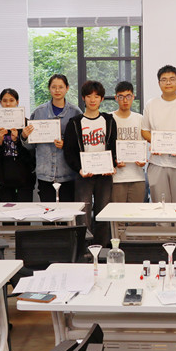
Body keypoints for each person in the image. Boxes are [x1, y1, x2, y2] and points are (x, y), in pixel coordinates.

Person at [63, 80, 117, 245]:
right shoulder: (75, 122)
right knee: (83, 214)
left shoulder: (109, 120)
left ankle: (101, 247)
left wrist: (112, 165)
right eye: (89, 96)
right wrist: (79, 169)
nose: (93, 100)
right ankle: (84, 249)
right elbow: (69, 151)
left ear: (102, 99)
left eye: (96, 96)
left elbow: (114, 146)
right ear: (83, 98)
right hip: (84, 175)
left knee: (103, 212)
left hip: (104, 175)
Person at [141, 65, 176, 203]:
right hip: (157, 162)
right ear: (159, 83)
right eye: (164, 79)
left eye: (172, 79)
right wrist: (155, 143)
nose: (168, 82)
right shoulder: (151, 104)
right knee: (160, 206)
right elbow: (144, 131)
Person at [21, 74, 82, 202]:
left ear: (67, 88)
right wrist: (24, 136)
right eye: (54, 87)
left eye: (61, 87)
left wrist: (66, 144)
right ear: (49, 88)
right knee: (47, 210)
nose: (57, 90)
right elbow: (30, 146)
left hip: (68, 173)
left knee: (67, 211)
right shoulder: (38, 112)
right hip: (45, 173)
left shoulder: (76, 112)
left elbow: (81, 145)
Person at [0, 88, 36, 202]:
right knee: (7, 212)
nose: (8, 104)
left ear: (17, 102)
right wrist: (0, 141)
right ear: (0, 103)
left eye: (11, 100)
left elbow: (31, 157)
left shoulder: (27, 125)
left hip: (24, 178)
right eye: (4, 101)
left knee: (24, 212)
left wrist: (18, 141)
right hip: (4, 179)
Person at [111, 81, 146, 203]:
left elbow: (144, 142)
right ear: (116, 98)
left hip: (137, 176)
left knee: (136, 213)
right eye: (121, 97)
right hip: (116, 178)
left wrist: (143, 160)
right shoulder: (109, 118)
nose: (125, 100)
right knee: (117, 213)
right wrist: (113, 161)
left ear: (133, 97)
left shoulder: (140, 118)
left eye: (128, 96)